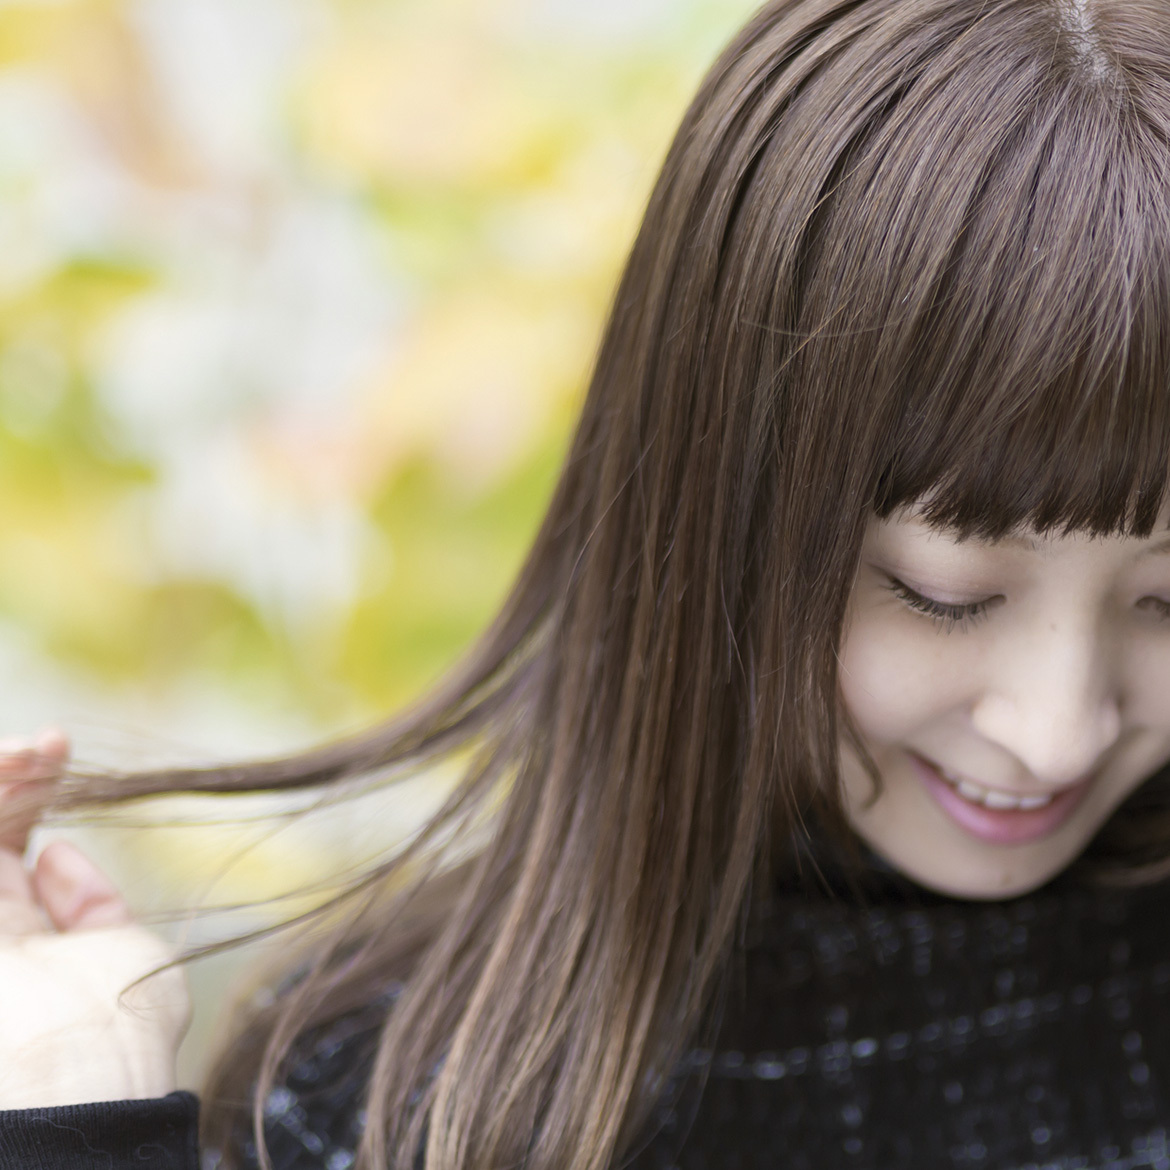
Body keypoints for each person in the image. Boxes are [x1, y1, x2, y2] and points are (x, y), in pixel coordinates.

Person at [5, 0, 1170, 1165]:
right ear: (721, 507)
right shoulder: (394, 1095)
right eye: (943, 594)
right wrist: (74, 1112)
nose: (1059, 734)